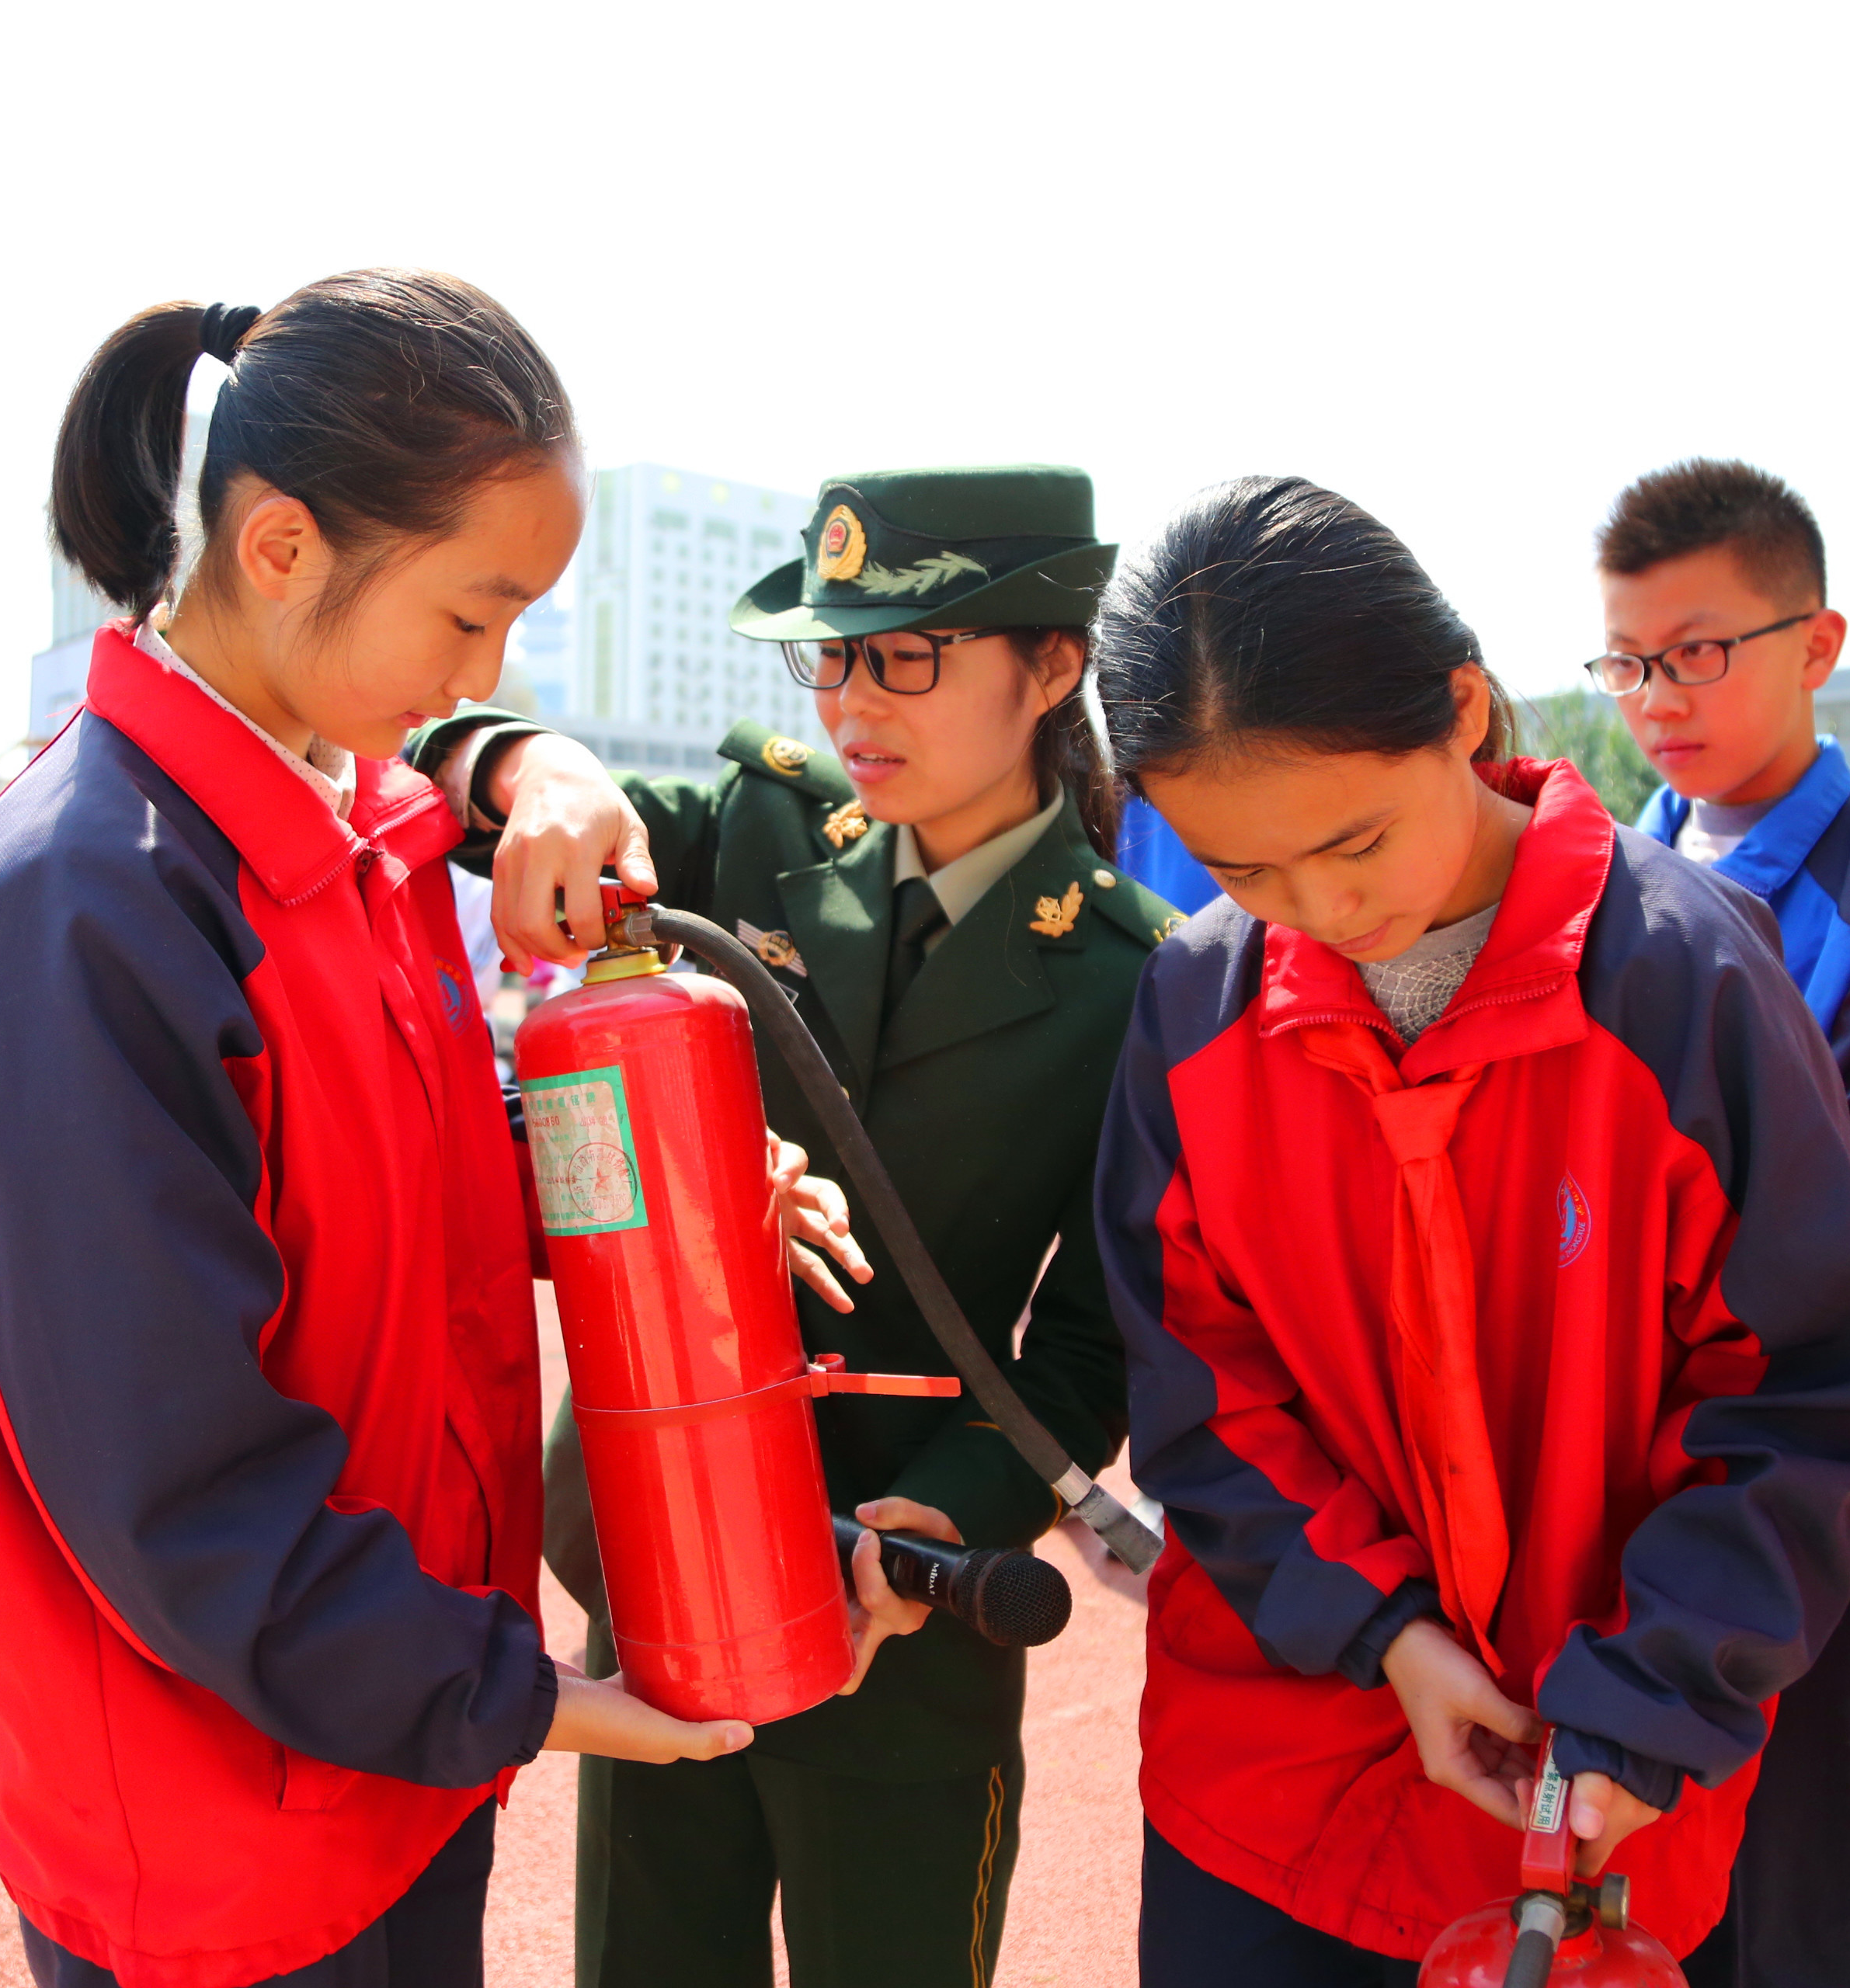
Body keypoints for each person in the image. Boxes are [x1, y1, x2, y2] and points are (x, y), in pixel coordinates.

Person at [0, 270, 907, 1988]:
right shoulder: (82, 911)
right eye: (473, 620)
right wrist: (536, 1696)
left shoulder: (350, 829)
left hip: (385, 1747)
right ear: (277, 550)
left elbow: (387, 1189)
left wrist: (662, 1195)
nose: (489, 674)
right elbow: (177, 1483)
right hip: (223, 1820)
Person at [1089, 476, 1850, 1982]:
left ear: (1465, 712)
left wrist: (1650, 1686)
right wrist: (1386, 1632)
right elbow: (1196, 1389)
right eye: (1239, 867)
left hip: (1605, 1774)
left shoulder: (1682, 981)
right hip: (1276, 1765)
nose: (1316, 904)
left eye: (1353, 839)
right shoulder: (1195, 1005)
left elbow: (1814, 1387)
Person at [412, 461, 1177, 1988]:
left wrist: (939, 1524)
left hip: (903, 1611)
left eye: (904, 655)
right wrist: (541, 766)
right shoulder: (763, 831)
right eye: (828, 654)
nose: (850, 705)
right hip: (657, 1560)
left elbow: (1091, 1349)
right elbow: (438, 765)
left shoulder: (1131, 978)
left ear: (1052, 665)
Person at [1594, 461, 1850, 1986]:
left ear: (1818, 642)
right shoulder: (1590, 891)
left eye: (1699, 650)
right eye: (1630, 657)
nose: (1659, 694)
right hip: (1609, 1545)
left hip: (1826, 1558)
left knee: (1816, 1949)